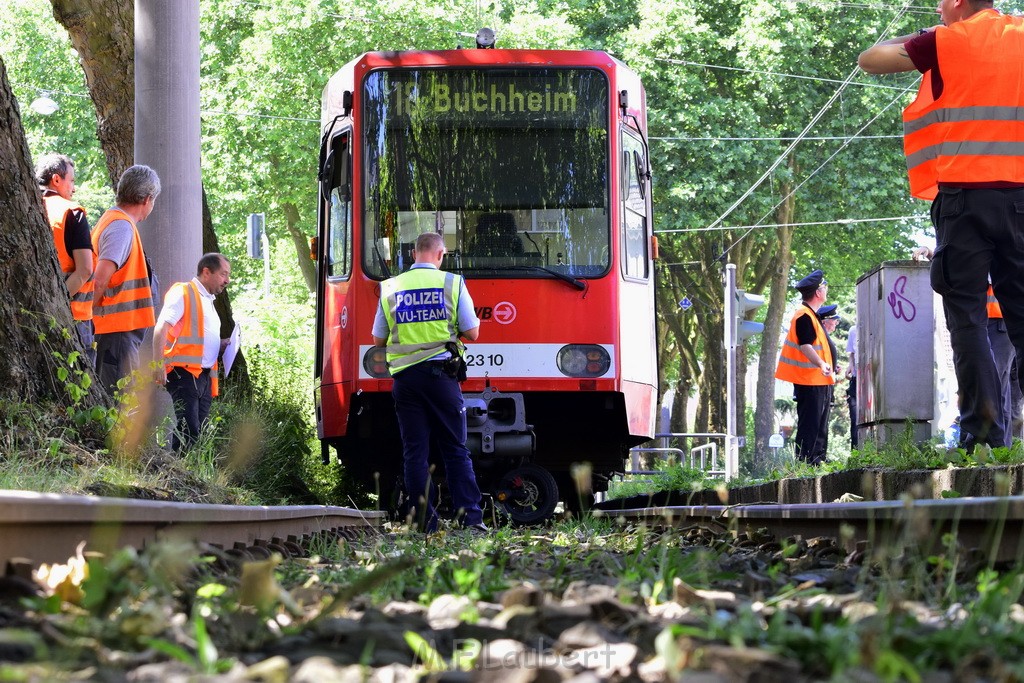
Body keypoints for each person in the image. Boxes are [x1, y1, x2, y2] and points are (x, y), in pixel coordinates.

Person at [858, 0, 1024, 450]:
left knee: (966, 316)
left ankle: (984, 432)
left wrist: (925, 33)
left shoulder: (943, 41)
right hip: (1021, 198)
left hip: (964, 201)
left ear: (955, 2)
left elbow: (870, 59)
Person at [371, 232, 486, 533]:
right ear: (441, 254)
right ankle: (471, 520)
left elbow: (377, 339)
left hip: (406, 381)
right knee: (454, 448)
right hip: (441, 378)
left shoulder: (390, 287)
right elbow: (472, 333)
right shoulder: (452, 283)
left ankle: (424, 522)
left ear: (413, 254)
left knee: (415, 452)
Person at [91, 165, 160, 394]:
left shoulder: (115, 221)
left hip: (116, 333)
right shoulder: (121, 227)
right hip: (116, 335)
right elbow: (99, 281)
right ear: (148, 199)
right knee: (119, 404)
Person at [153, 253, 231, 452]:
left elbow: (198, 335)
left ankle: (190, 475)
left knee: (199, 431)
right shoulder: (184, 292)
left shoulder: (208, 300)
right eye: (223, 274)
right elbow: (161, 327)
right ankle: (177, 475)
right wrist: (158, 364)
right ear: (206, 272)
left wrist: (221, 344)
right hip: (184, 372)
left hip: (202, 375)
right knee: (189, 429)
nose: (227, 281)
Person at [36, 154, 95, 365]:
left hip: (28, 313)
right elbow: (85, 270)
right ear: (56, 179)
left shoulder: (24, 207)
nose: (74, 188)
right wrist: (55, 303)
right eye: (72, 181)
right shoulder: (71, 212)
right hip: (73, 314)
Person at [775, 270, 834, 465]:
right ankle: (806, 462)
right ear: (818, 292)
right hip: (809, 380)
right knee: (810, 424)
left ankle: (817, 460)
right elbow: (805, 345)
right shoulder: (804, 315)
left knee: (819, 424)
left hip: (817, 379)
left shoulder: (811, 315)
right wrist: (821, 363)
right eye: (824, 286)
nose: (826, 289)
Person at [845, 324, 859, 448]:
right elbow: (852, 353)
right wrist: (851, 366)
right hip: (856, 380)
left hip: (872, 377)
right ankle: (856, 452)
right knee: (855, 418)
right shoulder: (853, 330)